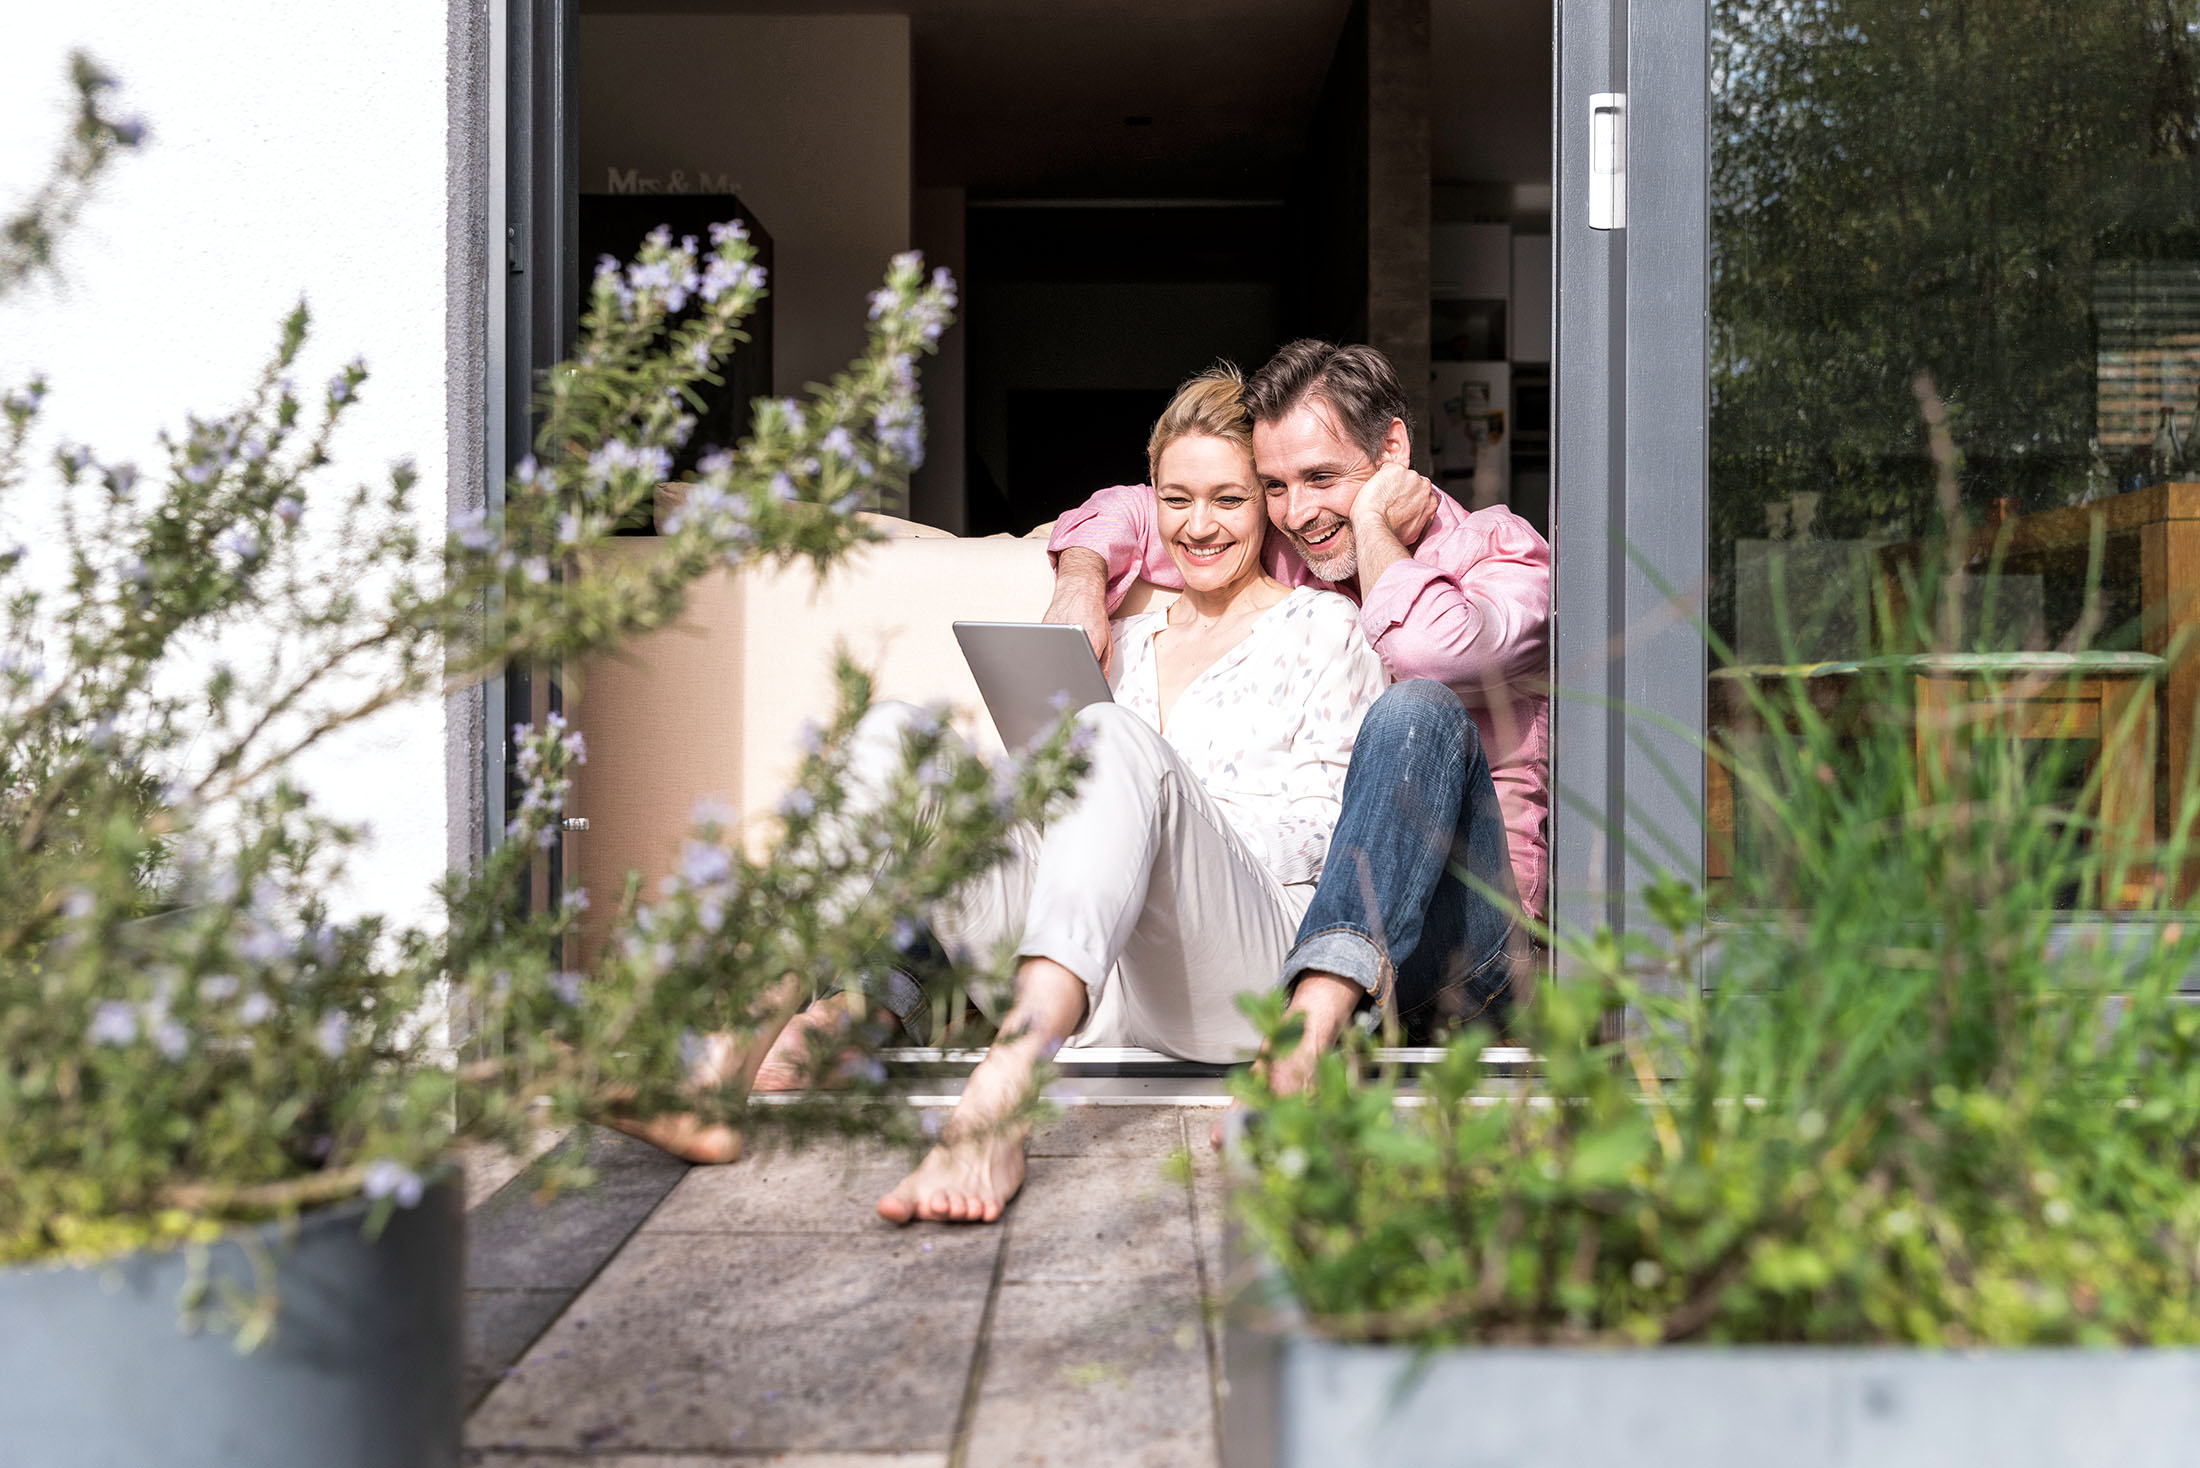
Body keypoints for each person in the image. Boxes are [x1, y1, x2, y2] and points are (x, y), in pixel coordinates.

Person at [859, 363, 1387, 1222]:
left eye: (1229, 499)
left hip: (1235, 973)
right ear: (1152, 499)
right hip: (1099, 987)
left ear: (1266, 505)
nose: (1200, 526)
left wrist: (1170, 811)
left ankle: (1003, 1099)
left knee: (1110, 737)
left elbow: (1328, 839)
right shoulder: (1125, 639)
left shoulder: (1323, 628)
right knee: (894, 733)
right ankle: (734, 1049)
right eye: (1177, 500)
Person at [1042, 340, 1550, 1099]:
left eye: (1321, 477)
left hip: (1463, 946)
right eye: (1275, 486)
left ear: (1392, 450)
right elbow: (1141, 507)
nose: (1298, 512)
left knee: (1415, 709)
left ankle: (1304, 1044)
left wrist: (1376, 524)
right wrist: (1081, 576)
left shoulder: (1499, 557)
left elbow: (1423, 650)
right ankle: (1315, 1015)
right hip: (1310, 937)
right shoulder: (1298, 547)